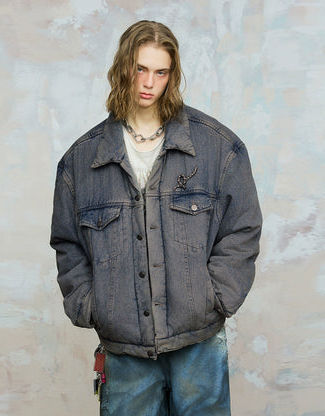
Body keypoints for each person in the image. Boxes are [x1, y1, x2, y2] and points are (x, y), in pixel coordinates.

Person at [50, 20, 262, 416]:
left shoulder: (218, 148)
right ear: (122, 68)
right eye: (140, 69)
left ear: (172, 75)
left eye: (161, 72)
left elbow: (242, 228)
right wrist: (94, 306)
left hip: (199, 345)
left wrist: (215, 297)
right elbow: (67, 244)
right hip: (124, 351)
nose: (149, 83)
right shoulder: (80, 161)